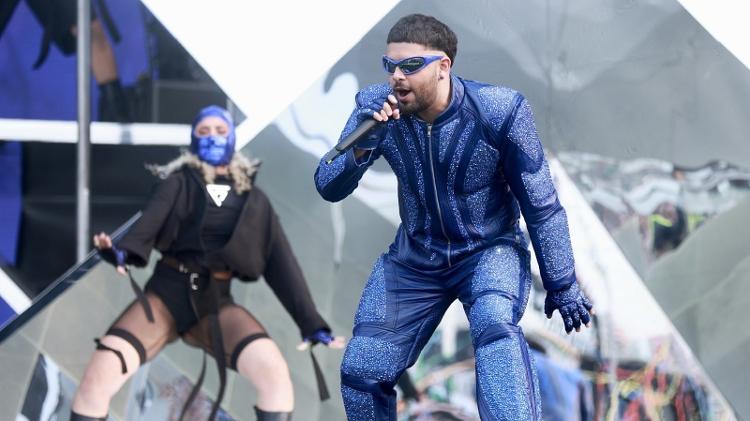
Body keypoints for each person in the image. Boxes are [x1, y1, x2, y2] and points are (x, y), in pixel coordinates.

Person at [314, 14, 593, 420]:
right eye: (389, 65)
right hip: (415, 258)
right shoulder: (376, 111)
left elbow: (541, 204)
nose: (397, 76)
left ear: (444, 66)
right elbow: (328, 184)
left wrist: (562, 283)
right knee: (361, 369)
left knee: (496, 332)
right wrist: (362, 137)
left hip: (488, 250)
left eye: (411, 65)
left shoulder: (499, 110)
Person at [71, 105, 343, 421]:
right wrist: (120, 253)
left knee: (274, 373)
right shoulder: (178, 183)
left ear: (232, 137)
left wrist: (311, 324)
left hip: (217, 304)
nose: (212, 137)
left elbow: (282, 263)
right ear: (193, 139)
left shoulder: (255, 201)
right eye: (204, 131)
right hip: (165, 295)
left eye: (219, 130)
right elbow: (149, 222)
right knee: (100, 374)